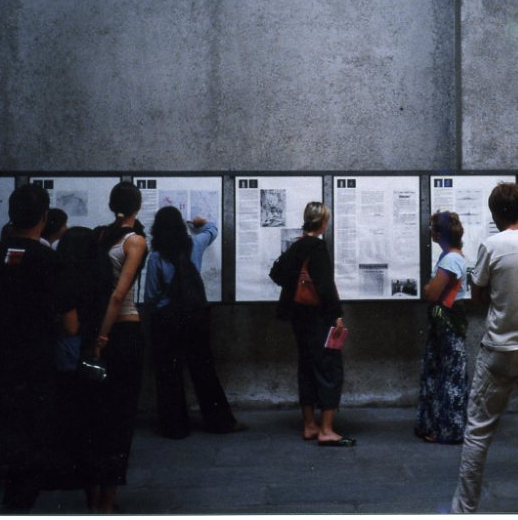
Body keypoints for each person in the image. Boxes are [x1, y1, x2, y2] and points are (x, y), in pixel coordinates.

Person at [0, 184, 78, 513]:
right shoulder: (51, 261)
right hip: (36, 370)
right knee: (30, 455)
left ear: (10, 214)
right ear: (44, 217)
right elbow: (71, 325)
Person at [451, 182, 518, 513]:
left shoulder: (492, 245)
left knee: (478, 432)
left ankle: (463, 510)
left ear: (494, 214)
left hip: (502, 350)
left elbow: (478, 295)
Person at [145, 207, 246, 438]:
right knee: (203, 369)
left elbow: (151, 295)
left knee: (169, 372)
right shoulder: (195, 244)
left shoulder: (156, 256)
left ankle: (175, 427)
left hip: (167, 320)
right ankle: (220, 422)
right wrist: (201, 222)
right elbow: (213, 230)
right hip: (195, 316)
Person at [84, 181, 148, 513]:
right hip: (122, 331)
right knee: (120, 420)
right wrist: (103, 337)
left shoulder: (101, 236)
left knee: (96, 419)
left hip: (95, 328)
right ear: (138, 206)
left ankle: (92, 500)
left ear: (112, 205)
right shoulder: (134, 241)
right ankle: (107, 503)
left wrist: (94, 335)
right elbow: (119, 295)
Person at [269, 201, 353, 447]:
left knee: (306, 366)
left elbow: (276, 273)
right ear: (323, 222)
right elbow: (325, 287)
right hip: (319, 317)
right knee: (329, 367)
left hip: (298, 316)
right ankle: (326, 429)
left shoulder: (297, 246)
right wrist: (337, 315)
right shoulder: (317, 247)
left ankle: (309, 425)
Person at [414, 211, 469, 445]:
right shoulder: (453, 256)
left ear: (441, 233)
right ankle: (444, 426)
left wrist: (428, 287)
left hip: (445, 321)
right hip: (449, 320)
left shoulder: (449, 260)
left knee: (446, 375)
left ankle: (446, 429)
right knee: (446, 372)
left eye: (434, 228)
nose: (431, 231)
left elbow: (431, 293)